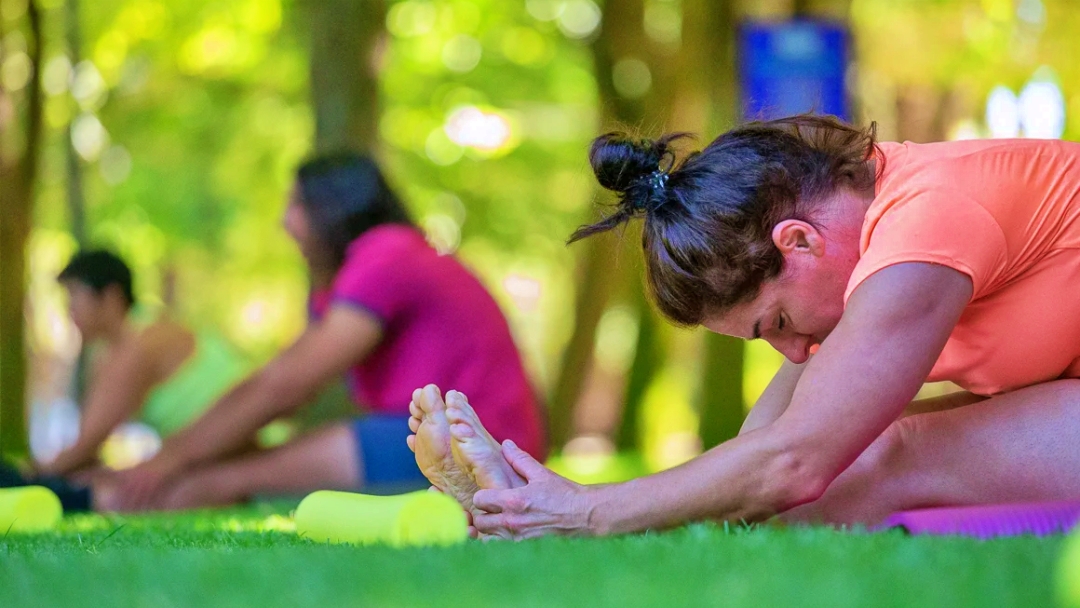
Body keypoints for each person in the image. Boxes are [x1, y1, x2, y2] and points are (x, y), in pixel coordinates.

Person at [408, 114, 1080, 539]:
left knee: (883, 453)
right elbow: (759, 451)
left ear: (800, 242)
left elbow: (796, 461)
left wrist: (593, 511)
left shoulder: (928, 221)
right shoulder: (854, 243)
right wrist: (578, 505)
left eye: (778, 322)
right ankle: (529, 513)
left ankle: (548, 524)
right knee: (838, 462)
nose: (796, 351)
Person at [101, 152, 546, 511]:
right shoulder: (348, 282)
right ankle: (90, 492)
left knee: (222, 481)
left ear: (333, 207)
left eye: (296, 206)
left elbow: (287, 385)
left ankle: (101, 499)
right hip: (417, 433)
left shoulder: (387, 253)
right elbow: (284, 385)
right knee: (228, 468)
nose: (284, 222)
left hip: (477, 441)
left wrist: (170, 458)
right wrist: (184, 454)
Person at [36, 250, 247, 478]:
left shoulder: (138, 346)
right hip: (224, 455)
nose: (69, 309)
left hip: (253, 452)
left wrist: (26, 476)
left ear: (110, 296)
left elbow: (86, 447)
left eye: (75, 294)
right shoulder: (131, 338)